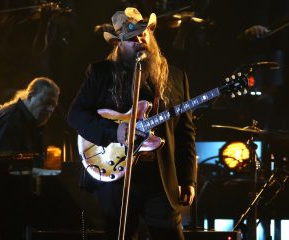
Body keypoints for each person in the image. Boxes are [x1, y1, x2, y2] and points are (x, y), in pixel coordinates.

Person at [67, 7, 197, 240]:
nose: (139, 40)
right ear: (119, 44)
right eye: (130, 38)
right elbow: (76, 115)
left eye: (143, 33)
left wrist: (188, 179)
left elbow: (186, 134)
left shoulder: (176, 77)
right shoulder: (101, 73)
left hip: (160, 180)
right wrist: (113, 131)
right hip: (116, 178)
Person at [0, 76, 60, 240]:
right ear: (30, 96)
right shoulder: (9, 121)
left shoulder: (28, 122)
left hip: (7, 204)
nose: (50, 110)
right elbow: (1, 168)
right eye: (46, 103)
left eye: (53, 105)